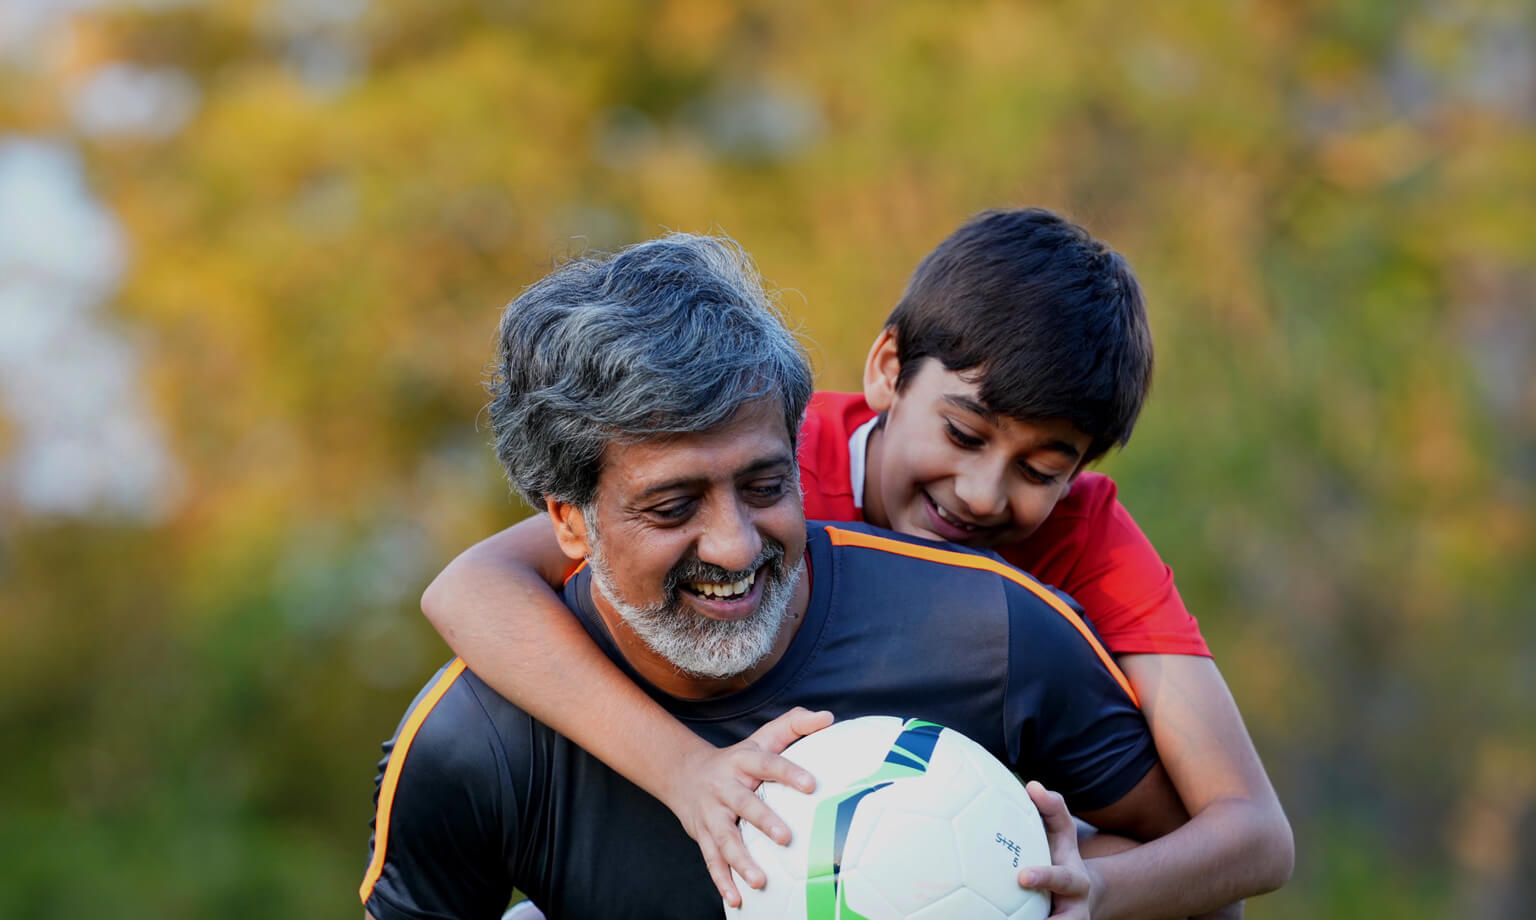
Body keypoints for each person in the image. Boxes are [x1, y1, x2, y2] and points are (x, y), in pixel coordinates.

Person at [421, 212, 1294, 917]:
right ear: (886, 370)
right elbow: (472, 587)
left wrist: (1091, 890)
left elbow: (1253, 835)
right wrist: (684, 773)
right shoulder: (768, 466)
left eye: (1042, 469)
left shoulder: (1087, 545)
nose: (986, 494)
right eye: (962, 433)